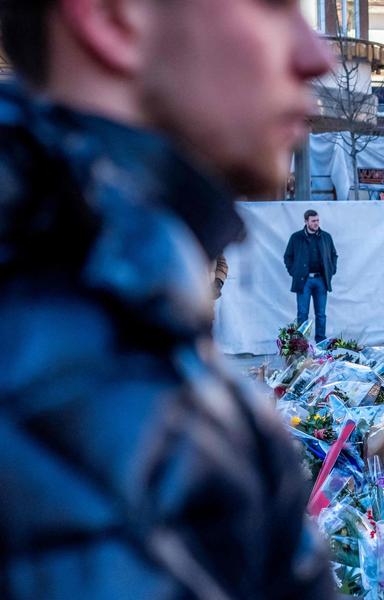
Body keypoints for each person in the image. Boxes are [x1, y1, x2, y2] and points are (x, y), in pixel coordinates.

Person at [0, 0, 336, 597]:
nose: (318, 57)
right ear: (111, 18)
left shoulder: (149, 340)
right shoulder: (96, 376)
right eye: (273, 6)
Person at [284, 209, 338, 343]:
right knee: (302, 314)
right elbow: (288, 257)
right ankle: (301, 345)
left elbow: (334, 255)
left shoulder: (326, 237)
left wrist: (331, 271)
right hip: (304, 281)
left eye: (317, 220)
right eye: (313, 221)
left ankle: (321, 343)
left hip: (321, 280)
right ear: (306, 221)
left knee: (321, 314)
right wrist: (294, 272)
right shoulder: (296, 237)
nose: (316, 223)